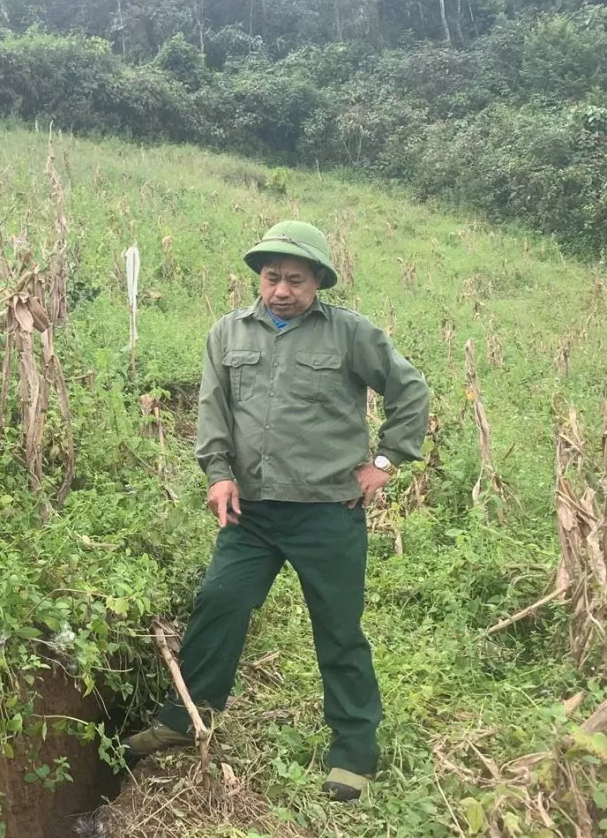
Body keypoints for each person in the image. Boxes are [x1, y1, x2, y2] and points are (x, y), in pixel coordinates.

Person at [122, 221, 429, 801]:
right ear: (259, 280)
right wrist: (218, 474)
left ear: (317, 282)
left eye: (295, 279)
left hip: (326, 512)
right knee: (219, 601)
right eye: (271, 278)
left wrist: (384, 464)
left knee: (339, 630)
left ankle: (354, 752)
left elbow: (410, 389)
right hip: (253, 513)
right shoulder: (228, 334)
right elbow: (212, 409)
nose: (281, 289)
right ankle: (186, 719)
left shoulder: (350, 335)